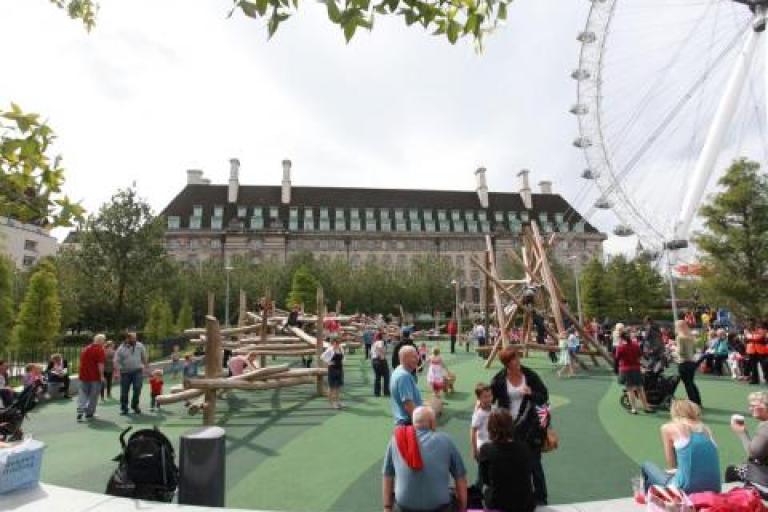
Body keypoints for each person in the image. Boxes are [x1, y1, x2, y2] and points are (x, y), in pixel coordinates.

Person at [490, 347, 550, 505]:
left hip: (531, 427)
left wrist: (531, 393)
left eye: (517, 358)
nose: (518, 361)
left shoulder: (529, 375)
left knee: (534, 463)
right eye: (513, 359)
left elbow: (544, 396)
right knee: (513, 464)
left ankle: (541, 497)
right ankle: (518, 497)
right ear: (507, 363)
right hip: (509, 429)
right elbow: (490, 397)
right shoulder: (500, 379)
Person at [382, 406, 467, 512]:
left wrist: (387, 507)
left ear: (414, 423)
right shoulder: (446, 440)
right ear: (432, 423)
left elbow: (387, 476)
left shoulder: (395, 441)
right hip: (440, 508)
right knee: (451, 493)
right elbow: (460, 477)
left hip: (404, 507)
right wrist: (463, 508)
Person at [641, 399, 721, 494]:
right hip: (715, 488)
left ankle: (650, 501)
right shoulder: (706, 429)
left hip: (685, 489)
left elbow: (671, 465)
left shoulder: (668, 428)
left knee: (646, 466)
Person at [478, 408, 536, 512]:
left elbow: (486, 480)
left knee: (485, 490)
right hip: (526, 504)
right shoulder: (525, 447)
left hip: (499, 504)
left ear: (490, 428)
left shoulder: (486, 450)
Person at [725, 391, 768, 486]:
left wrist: (742, 433)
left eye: (753, 406)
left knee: (731, 471)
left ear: (765, 406)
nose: (750, 409)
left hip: (764, 477)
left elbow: (754, 453)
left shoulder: (765, 428)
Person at [616, 331, 653, 414]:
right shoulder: (636, 345)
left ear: (621, 338)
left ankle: (634, 409)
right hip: (636, 369)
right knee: (640, 389)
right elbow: (640, 356)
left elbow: (617, 358)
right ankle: (646, 407)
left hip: (625, 370)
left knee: (630, 390)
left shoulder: (620, 347)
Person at [115, 332, 148, 415]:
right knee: (124, 391)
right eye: (133, 338)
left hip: (137, 370)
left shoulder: (140, 346)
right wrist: (117, 372)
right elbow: (116, 361)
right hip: (125, 372)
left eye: (135, 338)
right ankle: (124, 407)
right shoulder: (121, 348)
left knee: (138, 387)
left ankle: (135, 405)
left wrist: (146, 366)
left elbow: (144, 356)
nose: (135, 340)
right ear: (127, 339)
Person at [390, 345, 423, 425]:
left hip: (404, 421)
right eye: (413, 357)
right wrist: (422, 423)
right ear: (404, 358)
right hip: (408, 422)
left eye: (417, 356)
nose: (417, 359)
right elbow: (408, 405)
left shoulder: (398, 370)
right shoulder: (404, 376)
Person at [77, 333, 106, 422]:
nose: (104, 342)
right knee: (93, 396)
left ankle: (80, 411)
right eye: (104, 340)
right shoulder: (100, 349)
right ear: (101, 341)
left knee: (83, 394)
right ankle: (90, 413)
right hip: (94, 377)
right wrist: (101, 376)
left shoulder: (85, 348)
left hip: (83, 375)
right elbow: (100, 364)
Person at [676, 319, 702, 406]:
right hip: (692, 363)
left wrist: (674, 350)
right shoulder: (691, 336)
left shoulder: (680, 337)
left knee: (687, 384)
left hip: (683, 362)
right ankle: (697, 401)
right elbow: (694, 350)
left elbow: (680, 352)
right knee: (691, 383)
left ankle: (693, 403)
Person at [470, 383, 493, 466]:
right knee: (484, 471)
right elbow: (473, 432)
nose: (489, 399)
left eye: (490, 396)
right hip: (483, 446)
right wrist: (475, 449)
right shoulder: (479, 414)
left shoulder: (493, 408)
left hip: (493, 444)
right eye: (485, 397)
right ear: (479, 398)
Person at [322, 338, 345, 409]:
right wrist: (329, 362)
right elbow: (322, 357)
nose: (337, 344)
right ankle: (331, 403)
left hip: (340, 369)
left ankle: (338, 401)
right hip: (332, 369)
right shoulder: (330, 349)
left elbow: (343, 358)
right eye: (336, 343)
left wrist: (343, 363)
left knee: (338, 386)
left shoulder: (341, 349)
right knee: (331, 387)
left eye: (338, 343)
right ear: (333, 343)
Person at [371, 331, 390, 397]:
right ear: (382, 336)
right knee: (386, 376)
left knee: (377, 377)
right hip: (380, 360)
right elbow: (379, 349)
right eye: (385, 335)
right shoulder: (380, 342)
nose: (386, 336)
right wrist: (382, 357)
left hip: (374, 360)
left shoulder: (374, 343)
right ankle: (386, 391)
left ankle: (377, 393)